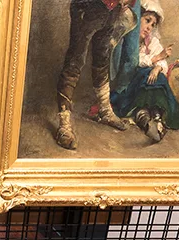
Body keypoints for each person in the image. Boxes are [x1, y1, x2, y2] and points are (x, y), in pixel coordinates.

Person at [55, 0, 139, 150]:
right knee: (75, 60)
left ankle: (105, 111)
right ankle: (64, 124)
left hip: (112, 10)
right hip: (87, 7)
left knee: (102, 58)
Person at [108, 0, 179, 142]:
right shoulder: (127, 41)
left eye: (153, 25)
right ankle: (147, 121)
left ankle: (156, 120)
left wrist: (158, 67)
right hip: (131, 87)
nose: (149, 27)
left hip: (149, 85)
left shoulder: (152, 42)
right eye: (147, 21)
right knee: (146, 74)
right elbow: (135, 62)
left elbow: (163, 63)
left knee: (157, 77)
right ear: (137, 18)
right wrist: (157, 58)